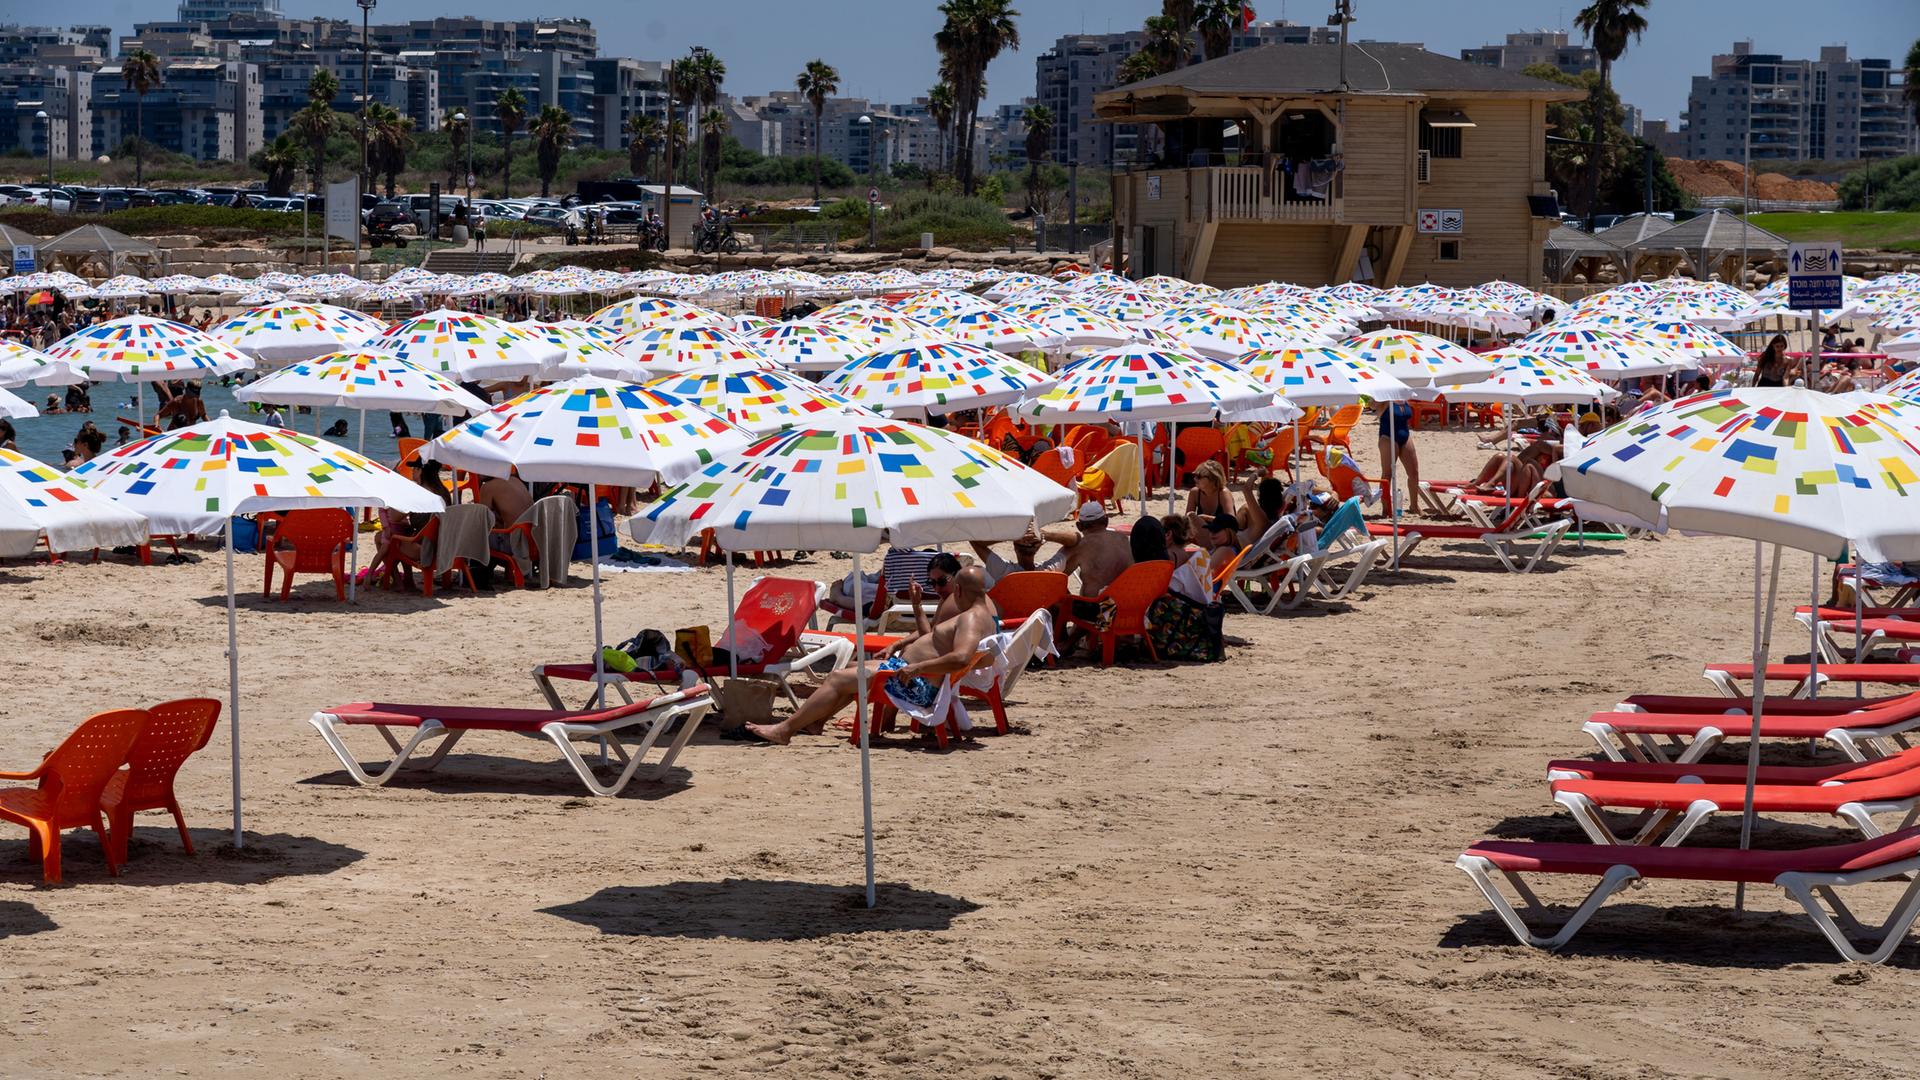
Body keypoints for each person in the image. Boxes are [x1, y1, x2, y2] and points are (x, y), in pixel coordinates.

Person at [744, 565, 999, 745]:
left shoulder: (971, 618)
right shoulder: (983, 614)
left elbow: (962, 658)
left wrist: (917, 668)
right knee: (853, 667)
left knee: (836, 679)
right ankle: (815, 722)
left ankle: (784, 730)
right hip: (913, 675)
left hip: (915, 684)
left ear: (959, 591)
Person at [1040, 502, 1134, 600]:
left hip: (1098, 608)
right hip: (1126, 601)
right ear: (1106, 521)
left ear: (1079, 526)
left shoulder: (1081, 546)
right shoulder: (1123, 538)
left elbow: (1057, 579)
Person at [1376, 400, 1435, 514]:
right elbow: (1374, 407)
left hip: (1405, 435)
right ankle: (1386, 508)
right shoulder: (1384, 399)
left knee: (1414, 472)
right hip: (1387, 437)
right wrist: (1382, 402)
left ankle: (1414, 506)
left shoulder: (1404, 397)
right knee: (1387, 474)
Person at [1182, 459, 1237, 538]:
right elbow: (1187, 519)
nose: (1195, 479)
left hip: (1223, 536)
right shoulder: (1195, 492)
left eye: (1199, 476)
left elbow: (1231, 521)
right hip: (1204, 534)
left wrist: (1205, 518)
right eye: (1195, 475)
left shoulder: (1223, 493)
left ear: (1213, 479)